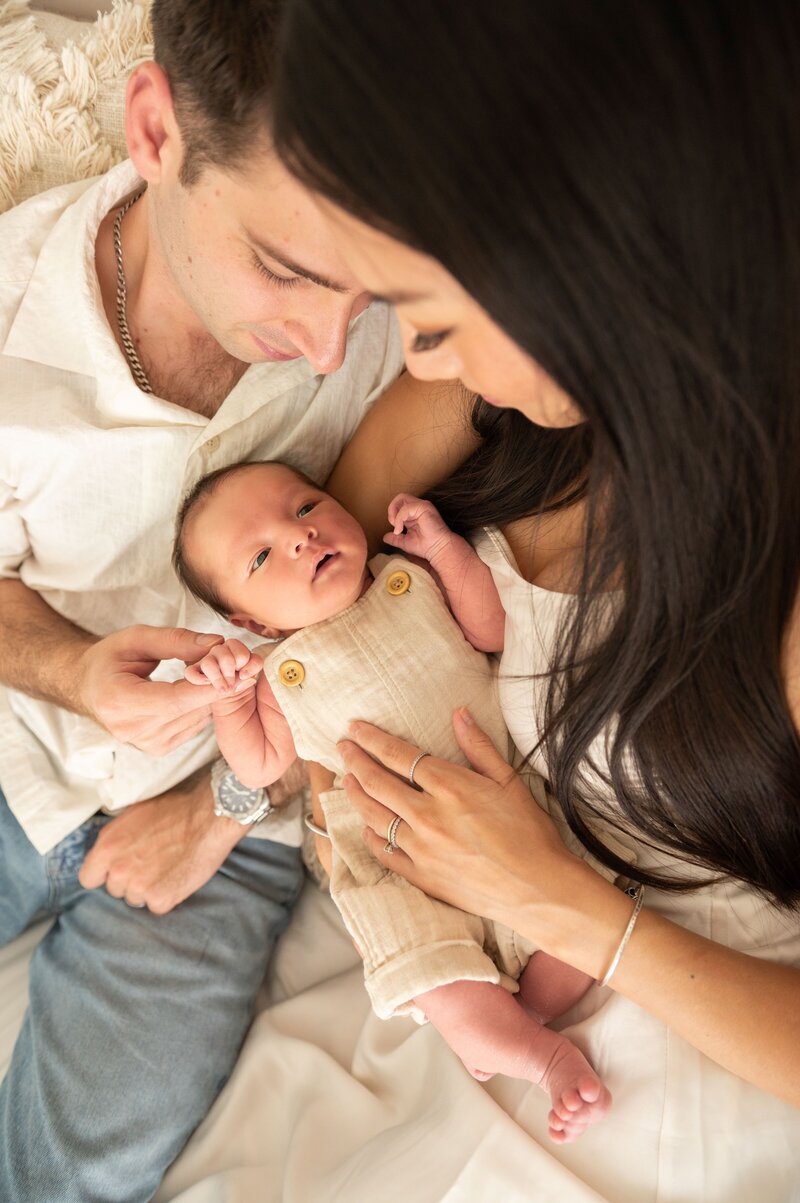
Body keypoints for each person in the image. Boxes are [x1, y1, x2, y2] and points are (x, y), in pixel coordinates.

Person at [270, 0, 800, 1195]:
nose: (409, 360)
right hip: (498, 990)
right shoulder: (505, 409)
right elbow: (300, 605)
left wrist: (569, 908)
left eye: (430, 314)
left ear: (578, 259)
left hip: (705, 1047)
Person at [0, 1, 473, 1199]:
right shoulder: (11, 320)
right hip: (16, 751)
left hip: (240, 835)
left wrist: (217, 805)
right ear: (156, 129)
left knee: (75, 1170)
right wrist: (63, 670)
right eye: (287, 271)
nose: (326, 350)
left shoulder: (416, 320)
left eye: (362, 298)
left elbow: (377, 614)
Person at [173, 457, 615, 1139]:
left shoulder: (410, 578)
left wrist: (444, 548)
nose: (300, 537)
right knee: (433, 973)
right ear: (251, 622)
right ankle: (536, 1052)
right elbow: (262, 762)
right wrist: (229, 702)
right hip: (391, 853)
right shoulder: (271, 677)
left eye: (307, 507)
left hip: (506, 790)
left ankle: (524, 1015)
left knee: (583, 910)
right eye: (261, 556)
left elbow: (495, 629)